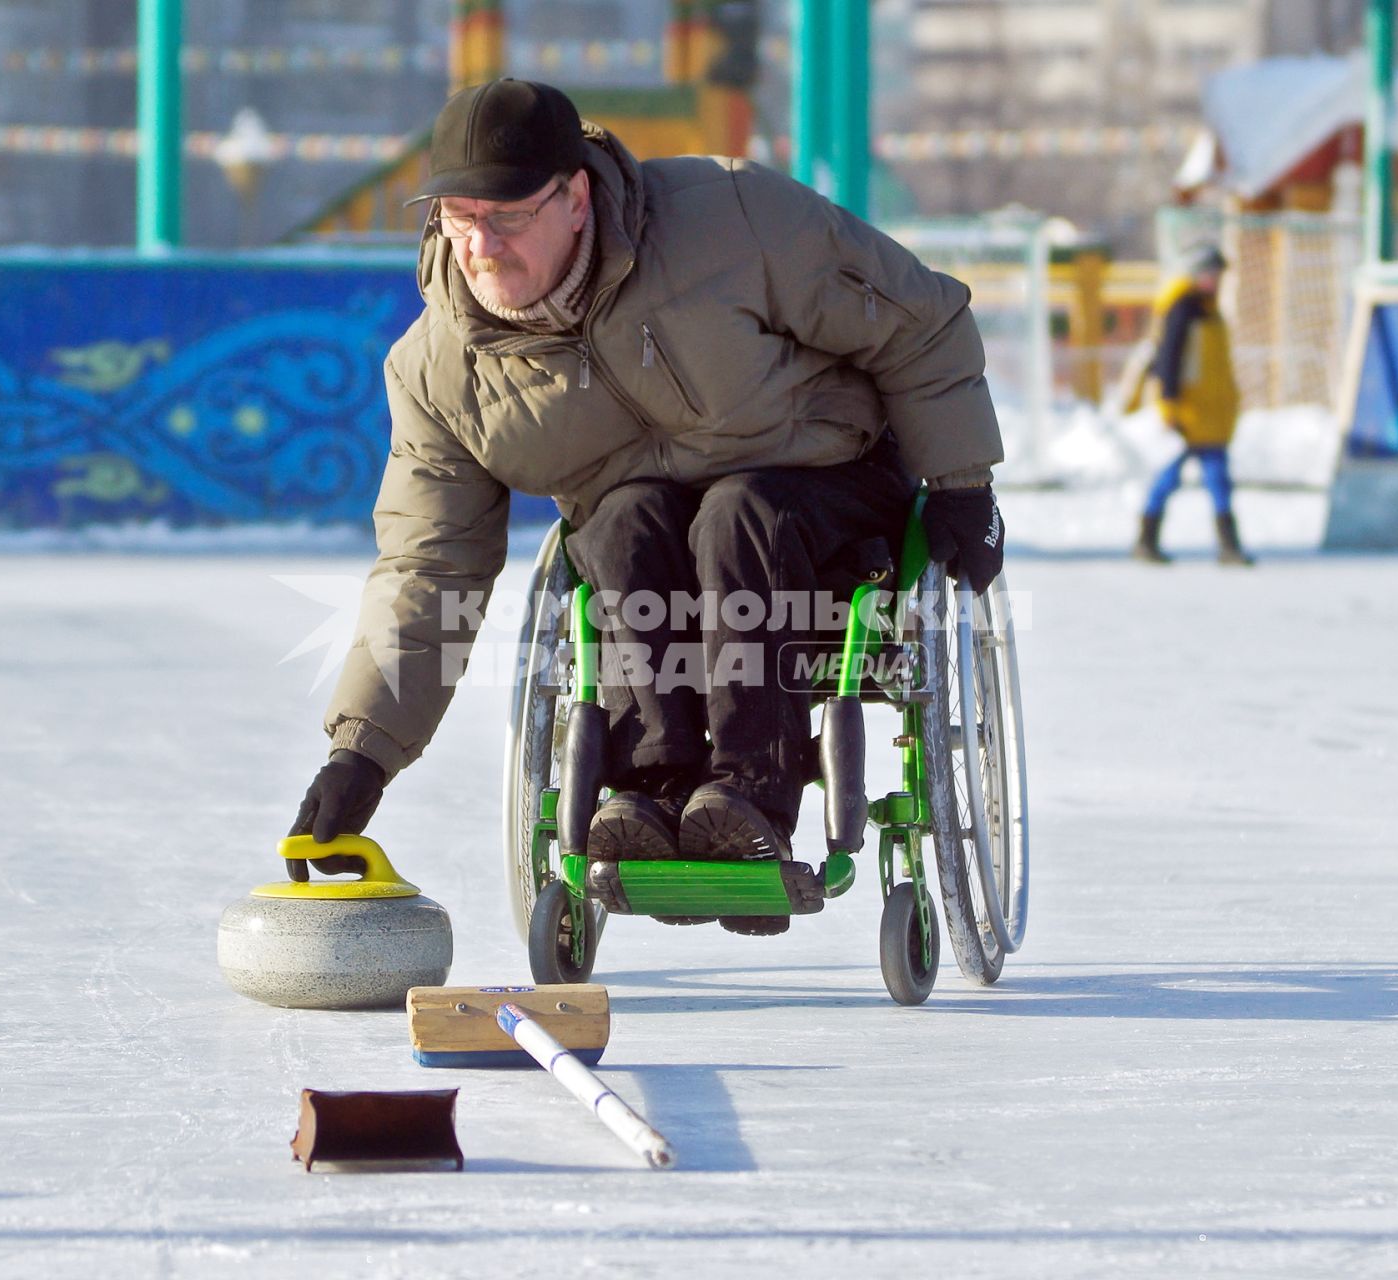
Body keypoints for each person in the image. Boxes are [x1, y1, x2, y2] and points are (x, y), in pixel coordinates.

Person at [289, 79, 1006, 930]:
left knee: (738, 511)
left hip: (826, 498)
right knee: (619, 522)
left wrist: (962, 482)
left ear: (577, 196)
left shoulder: (734, 220)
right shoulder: (440, 372)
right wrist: (361, 754)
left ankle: (750, 794)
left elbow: (919, 320)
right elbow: (428, 562)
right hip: (653, 551)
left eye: (509, 216)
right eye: (459, 216)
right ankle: (653, 791)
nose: (482, 246)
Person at [1133, 244, 1253, 566]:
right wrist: (1170, 403)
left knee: (1216, 476)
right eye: (1211, 273)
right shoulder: (1183, 307)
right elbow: (1169, 357)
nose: (1216, 280)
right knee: (1173, 474)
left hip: (1209, 410)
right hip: (1188, 411)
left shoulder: (1207, 308)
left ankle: (1226, 544)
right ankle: (1148, 536)